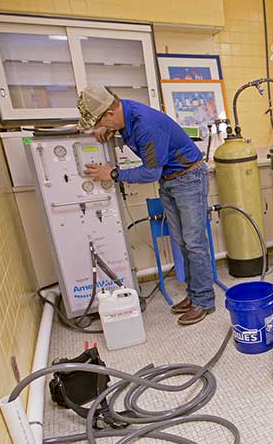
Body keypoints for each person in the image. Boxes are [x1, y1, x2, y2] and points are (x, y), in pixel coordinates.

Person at [77, 86, 215, 326]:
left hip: (189, 177)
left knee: (194, 242)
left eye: (101, 121)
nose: (102, 126)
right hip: (171, 180)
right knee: (182, 241)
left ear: (109, 113)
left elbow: (151, 172)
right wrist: (108, 130)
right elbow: (126, 132)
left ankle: (204, 301)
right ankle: (194, 296)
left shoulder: (144, 124)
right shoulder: (124, 114)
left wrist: (112, 173)